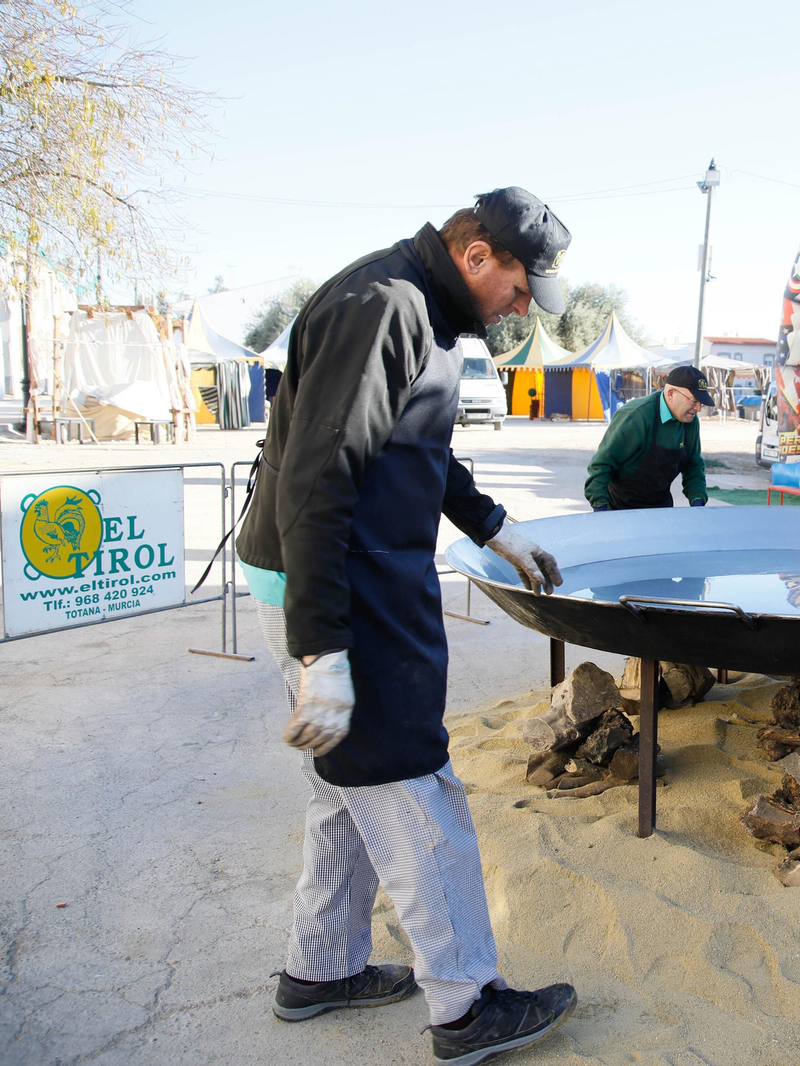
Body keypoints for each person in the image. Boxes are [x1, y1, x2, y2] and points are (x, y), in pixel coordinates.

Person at [235, 187, 577, 1063]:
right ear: (476, 255)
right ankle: (467, 1005)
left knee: (346, 790)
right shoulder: (383, 306)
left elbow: (415, 443)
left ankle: (321, 970)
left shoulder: (425, 311)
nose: (520, 309)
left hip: (353, 574)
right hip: (337, 586)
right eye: (518, 289)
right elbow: (319, 478)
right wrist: (323, 648)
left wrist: (492, 525)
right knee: (412, 785)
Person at [584, 364, 713, 510]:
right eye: (694, 401)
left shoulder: (690, 421)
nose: (698, 408)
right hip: (620, 507)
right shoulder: (636, 416)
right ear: (671, 394)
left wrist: (697, 502)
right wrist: (600, 507)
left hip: (661, 507)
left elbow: (693, 465)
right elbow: (602, 465)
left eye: (701, 403)